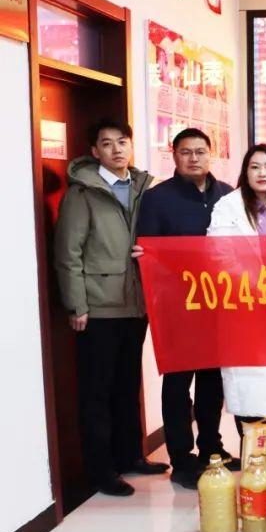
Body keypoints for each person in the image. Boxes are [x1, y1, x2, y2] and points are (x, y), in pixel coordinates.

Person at [54, 119, 166, 496]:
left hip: (135, 305)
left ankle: (130, 456)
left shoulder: (142, 188)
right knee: (97, 393)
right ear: (95, 151)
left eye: (122, 141)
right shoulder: (83, 193)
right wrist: (76, 304)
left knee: (127, 386)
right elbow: (68, 253)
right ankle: (101, 472)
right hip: (98, 308)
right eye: (107, 143)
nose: (117, 149)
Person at [136, 127, 237, 488]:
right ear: (174, 156)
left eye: (200, 151)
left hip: (218, 303)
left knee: (212, 381)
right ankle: (181, 459)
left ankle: (212, 448)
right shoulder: (157, 198)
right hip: (176, 306)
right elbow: (148, 252)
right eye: (186, 152)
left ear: (211, 155)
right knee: (178, 383)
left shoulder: (227, 195)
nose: (194, 158)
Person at [208, 144, 266, 434]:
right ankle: (251, 451)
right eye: (255, 167)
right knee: (249, 387)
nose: (262, 173)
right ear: (245, 172)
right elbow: (219, 253)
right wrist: (256, 285)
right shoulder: (228, 206)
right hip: (245, 303)